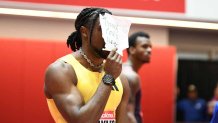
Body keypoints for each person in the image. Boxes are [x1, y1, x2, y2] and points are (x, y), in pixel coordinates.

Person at [44, 7, 130, 123]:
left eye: (113, 31)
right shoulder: (61, 71)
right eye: (104, 29)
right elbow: (82, 121)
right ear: (84, 32)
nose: (110, 38)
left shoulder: (119, 76)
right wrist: (108, 77)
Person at [122, 32, 152, 123]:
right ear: (132, 50)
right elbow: (128, 114)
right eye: (144, 46)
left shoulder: (125, 70)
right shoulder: (131, 75)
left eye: (150, 47)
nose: (149, 50)